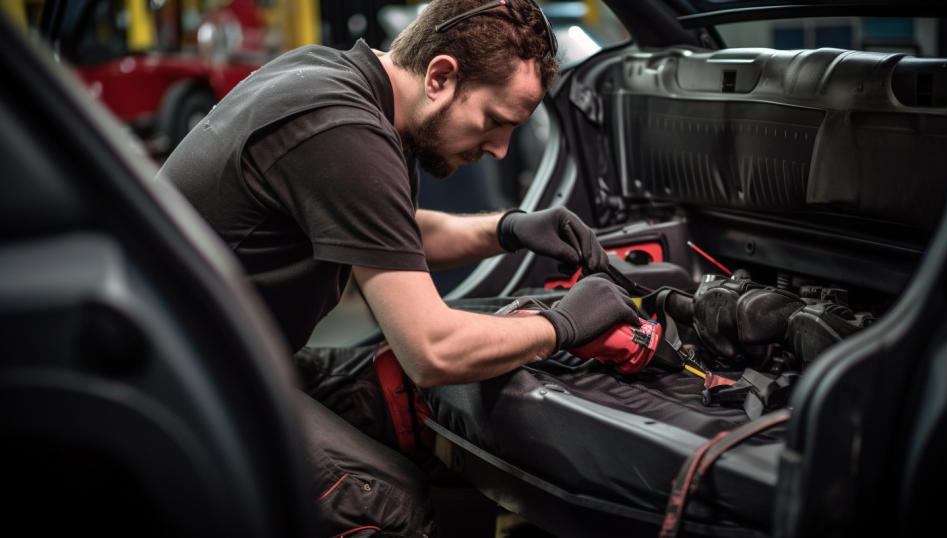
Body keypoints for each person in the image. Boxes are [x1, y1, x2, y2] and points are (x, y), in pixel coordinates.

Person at [159, 0, 641, 535]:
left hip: (225, 359)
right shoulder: (341, 127)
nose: (502, 150)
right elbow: (433, 352)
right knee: (388, 502)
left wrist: (510, 228)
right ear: (440, 76)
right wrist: (564, 325)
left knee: (402, 407)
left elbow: (389, 232)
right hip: (183, 385)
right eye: (494, 121)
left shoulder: (339, 80)